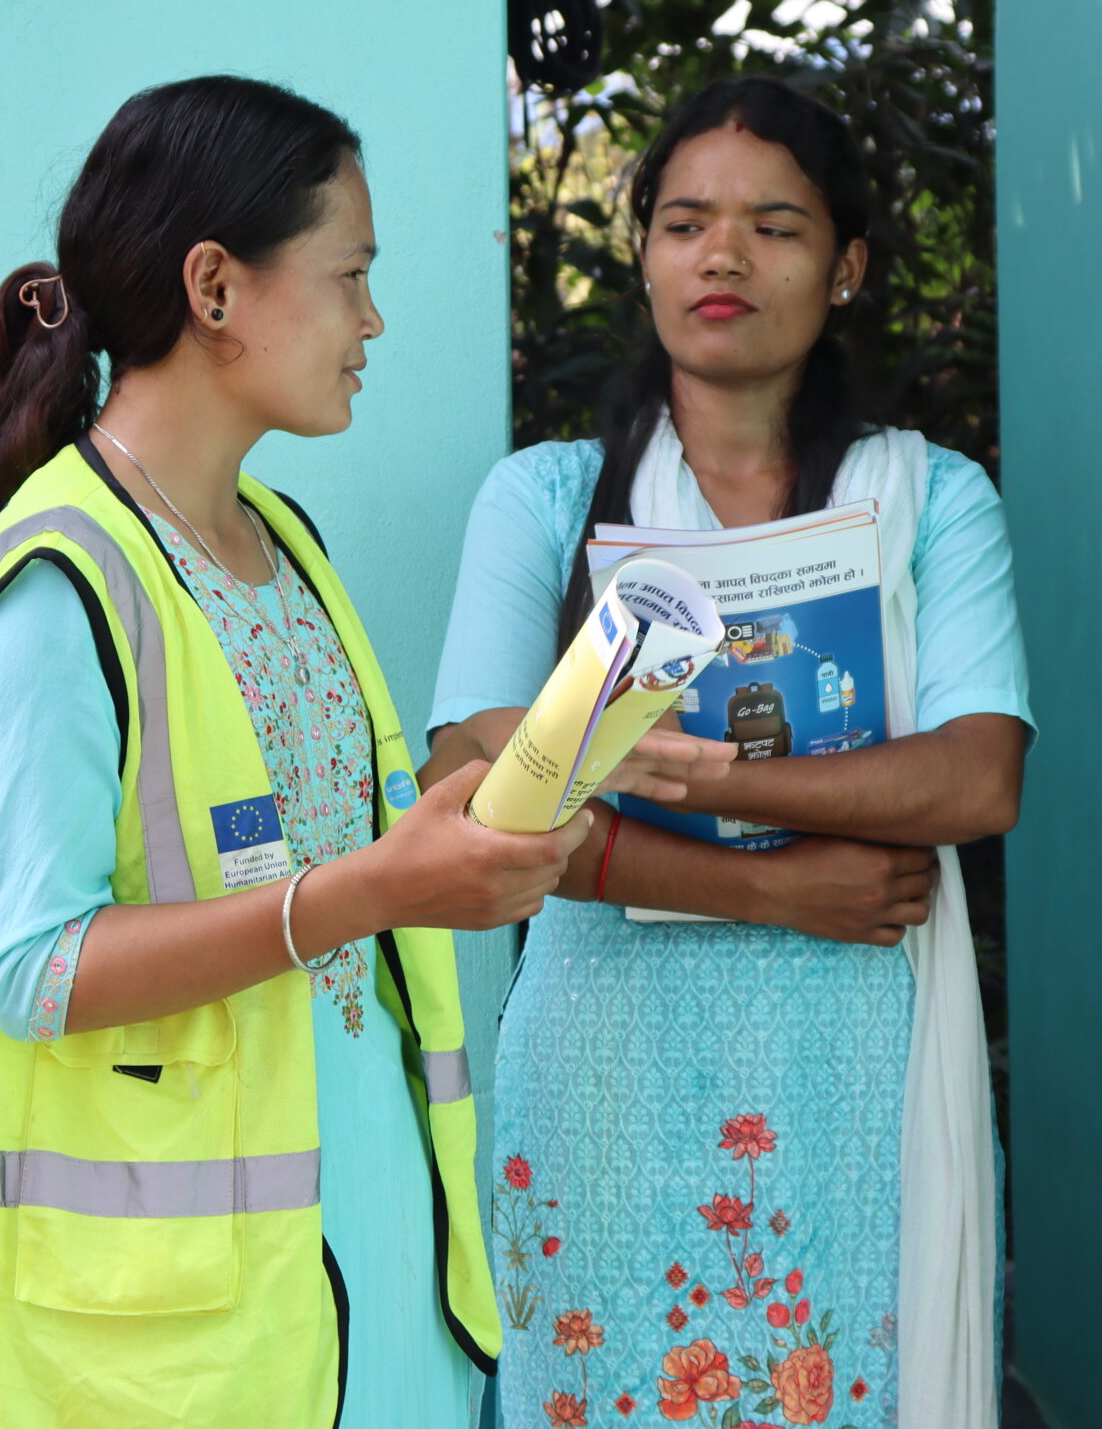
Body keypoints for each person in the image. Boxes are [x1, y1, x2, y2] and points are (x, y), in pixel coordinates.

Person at [0, 76, 593, 1429]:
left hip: (371, 1205)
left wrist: (564, 768)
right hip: (178, 1302)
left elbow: (344, 846)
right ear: (214, 288)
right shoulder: (57, 588)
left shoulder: (282, 542)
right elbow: (35, 969)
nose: (372, 320)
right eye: (350, 275)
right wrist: (367, 893)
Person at [425, 77, 1031, 1429]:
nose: (724, 256)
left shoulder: (932, 501)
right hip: (604, 1070)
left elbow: (978, 775)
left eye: (775, 227)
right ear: (642, 253)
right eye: (687, 222)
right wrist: (771, 881)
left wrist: (693, 775)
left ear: (847, 266)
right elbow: (471, 786)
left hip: (858, 1068)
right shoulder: (545, 500)